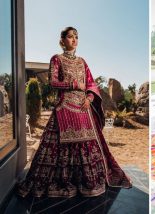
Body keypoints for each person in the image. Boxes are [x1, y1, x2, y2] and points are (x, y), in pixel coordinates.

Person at [18, 27, 131, 197]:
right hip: (64, 107)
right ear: (62, 40)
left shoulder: (82, 62)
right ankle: (61, 181)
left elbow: (91, 83)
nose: (74, 40)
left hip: (83, 109)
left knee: (87, 144)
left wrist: (89, 99)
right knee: (56, 146)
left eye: (76, 37)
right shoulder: (56, 59)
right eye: (70, 37)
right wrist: (73, 85)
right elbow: (53, 83)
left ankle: (86, 182)